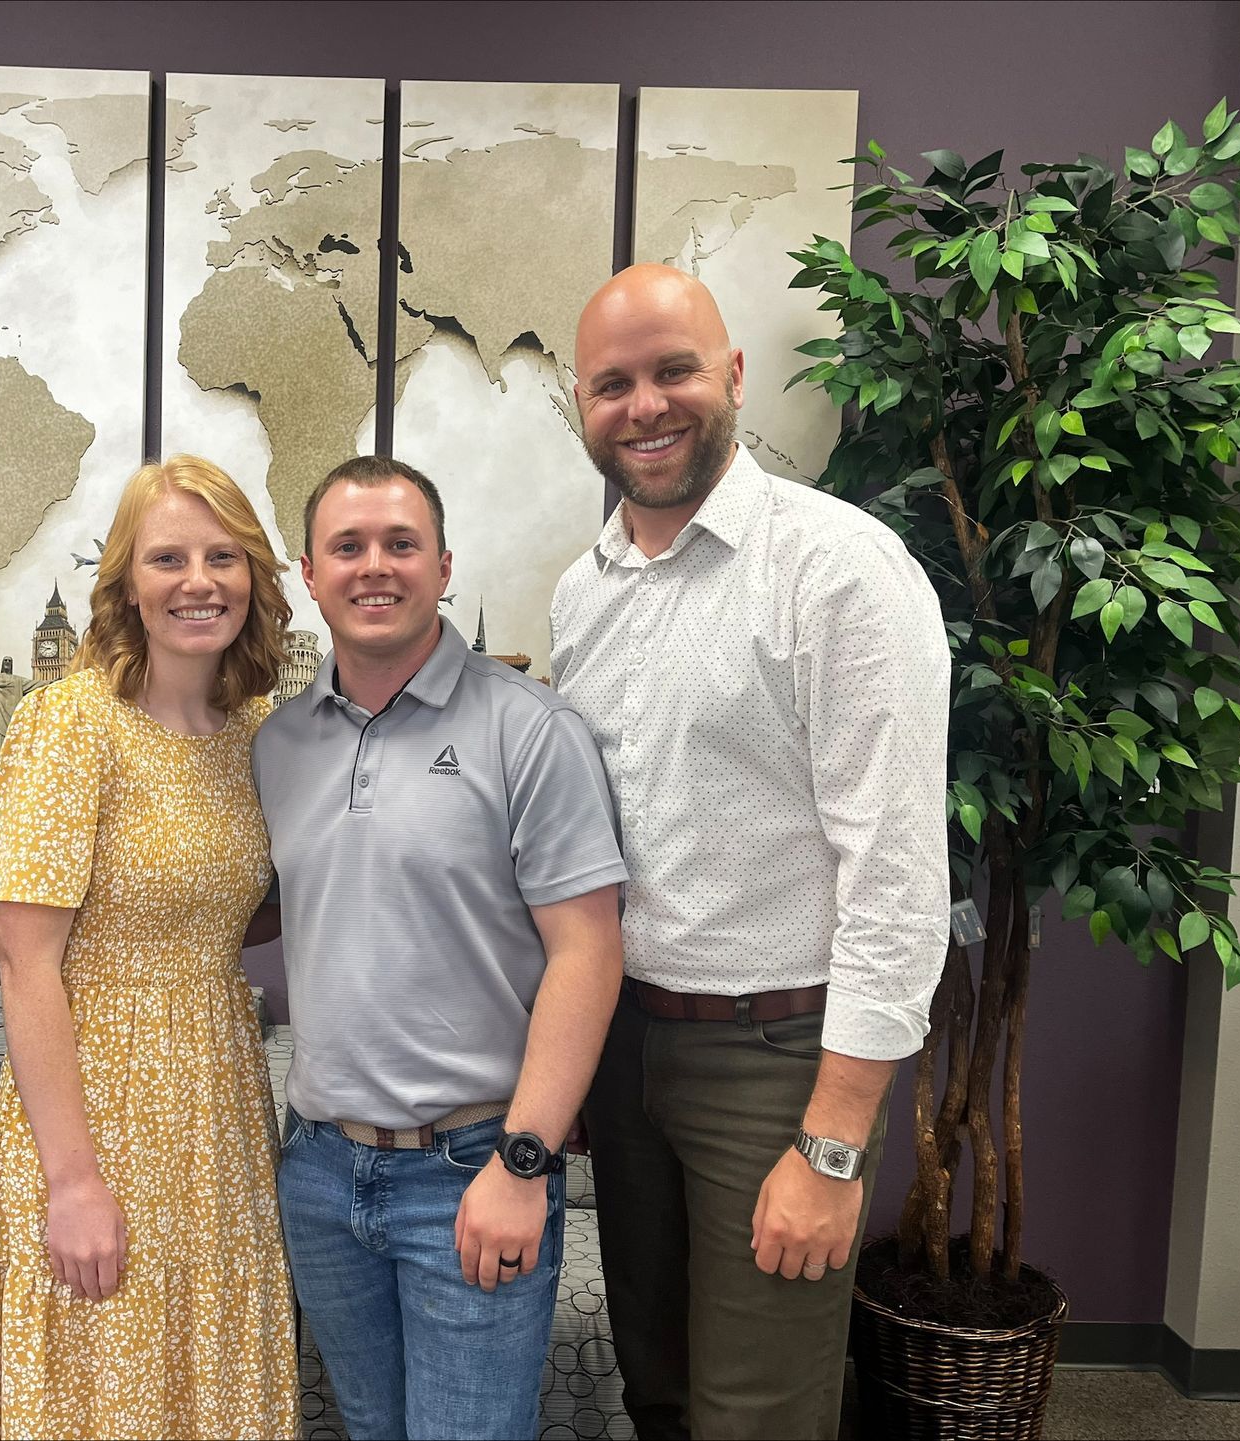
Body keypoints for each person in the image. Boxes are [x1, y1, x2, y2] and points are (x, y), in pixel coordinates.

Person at [551, 264, 950, 1440]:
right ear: (583, 405)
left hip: (777, 1061)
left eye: (673, 370)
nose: (646, 405)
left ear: (731, 374)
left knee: (758, 1415)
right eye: (613, 383)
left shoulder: (838, 569)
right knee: (658, 1389)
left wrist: (830, 1147)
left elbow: (897, 874)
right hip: (628, 1052)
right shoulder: (586, 590)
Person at [255, 456, 628, 1440]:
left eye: (400, 543)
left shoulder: (532, 731)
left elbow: (587, 952)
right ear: (309, 572)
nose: (374, 566)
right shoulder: (278, 744)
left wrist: (523, 1160)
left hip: (474, 1166)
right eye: (348, 546)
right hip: (323, 1174)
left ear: (444, 563)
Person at [0, 455, 299, 1439]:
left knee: (207, 1375)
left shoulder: (255, 728)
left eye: (222, 555)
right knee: (101, 1377)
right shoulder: (71, 723)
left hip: (218, 1101)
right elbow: (24, 965)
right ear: (127, 583)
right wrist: (73, 1183)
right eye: (169, 557)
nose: (199, 580)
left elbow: (238, 909)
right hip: (94, 1104)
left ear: (254, 576)